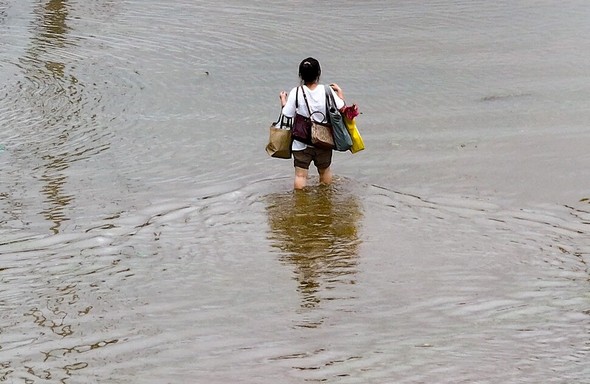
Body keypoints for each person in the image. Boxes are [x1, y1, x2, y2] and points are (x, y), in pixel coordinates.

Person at [279, 57, 345, 190]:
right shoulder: (327, 91)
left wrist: (283, 100)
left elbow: (287, 114)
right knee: (324, 170)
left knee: (300, 175)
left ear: (300, 75)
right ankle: (325, 199)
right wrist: (340, 93)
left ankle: (300, 203)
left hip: (301, 142)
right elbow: (341, 108)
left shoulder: (296, 92)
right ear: (318, 73)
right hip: (324, 140)